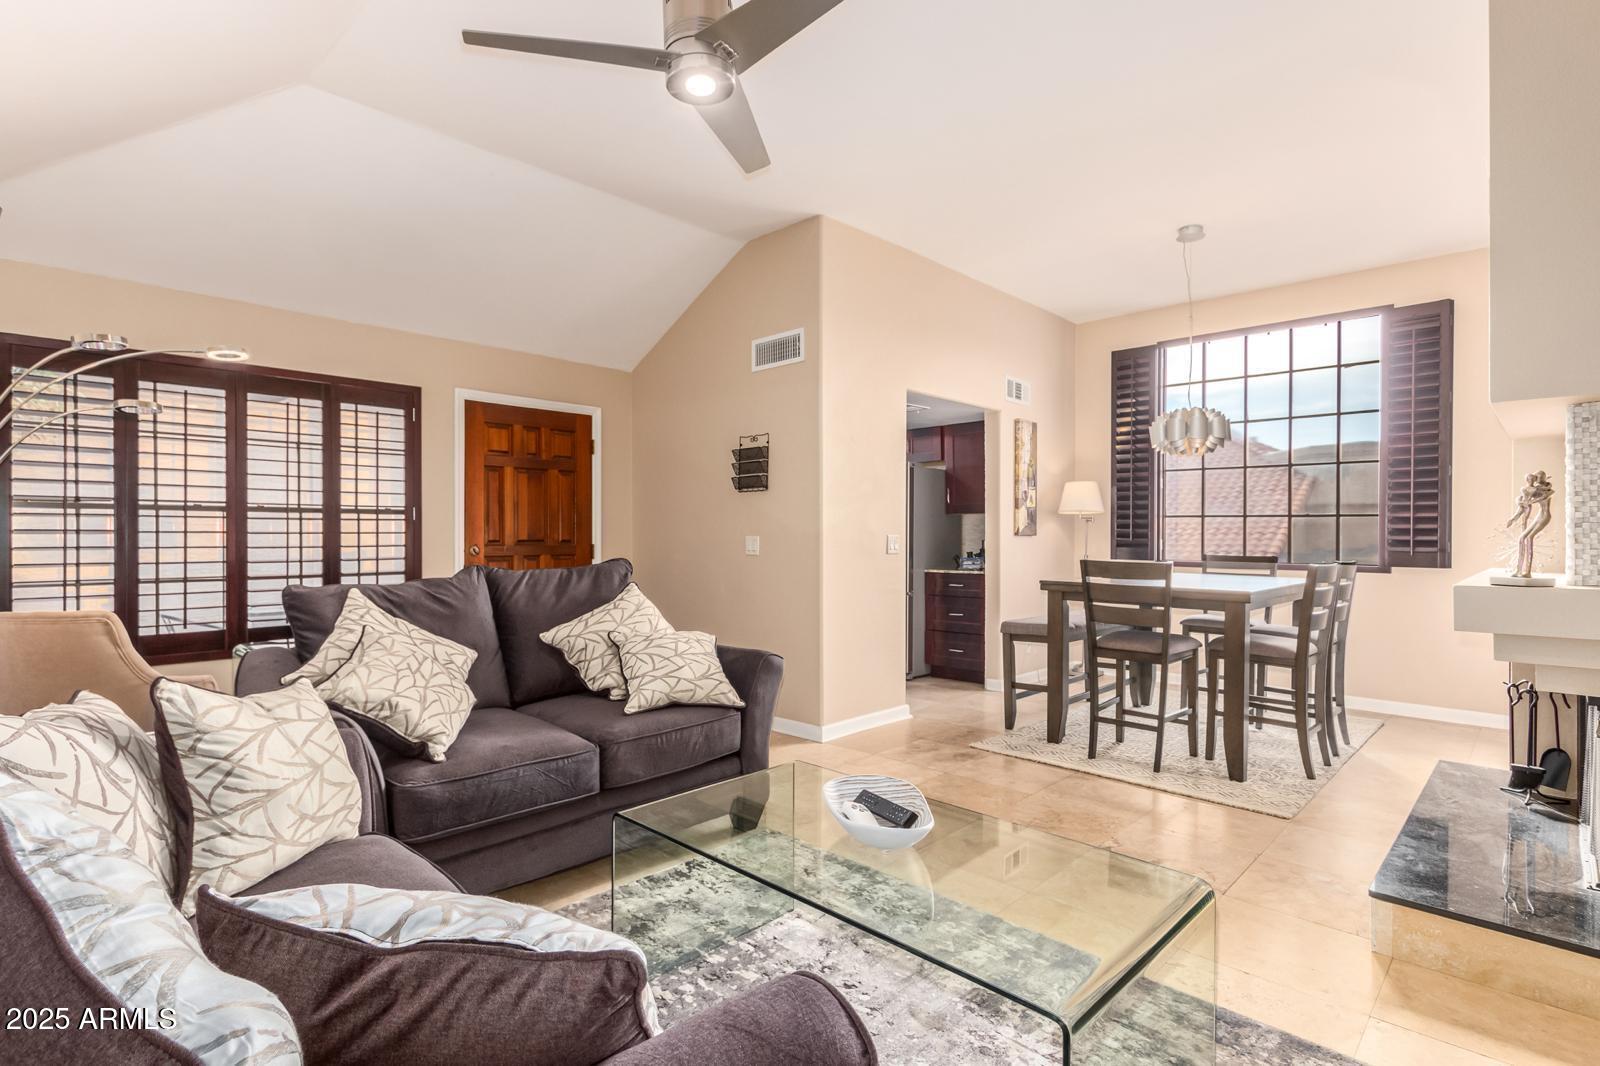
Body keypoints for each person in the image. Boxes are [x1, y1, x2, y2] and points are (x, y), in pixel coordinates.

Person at [1505, 471, 1555, 578]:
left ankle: (1527, 571)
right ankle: (1518, 570)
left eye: (1542, 477)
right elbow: (1525, 498)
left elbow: (1541, 497)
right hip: (1539, 515)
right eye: (1538, 477)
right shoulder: (1537, 489)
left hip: (1545, 516)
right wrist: (1518, 501)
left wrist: (1528, 501)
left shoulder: (1547, 490)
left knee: (1529, 538)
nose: (1539, 479)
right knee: (1521, 538)